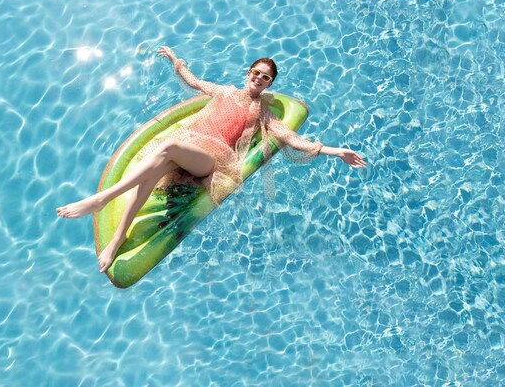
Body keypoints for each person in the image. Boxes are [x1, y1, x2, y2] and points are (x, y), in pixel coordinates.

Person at [57, 46, 366, 272]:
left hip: (210, 162)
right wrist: (176, 61)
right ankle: (116, 240)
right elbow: (195, 83)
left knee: (169, 146)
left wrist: (336, 151)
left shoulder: (263, 112)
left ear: (270, 84)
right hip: (189, 148)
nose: (259, 79)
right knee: (155, 170)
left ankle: (101, 199)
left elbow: (291, 138)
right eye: (256, 73)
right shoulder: (225, 91)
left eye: (266, 77)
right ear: (248, 74)